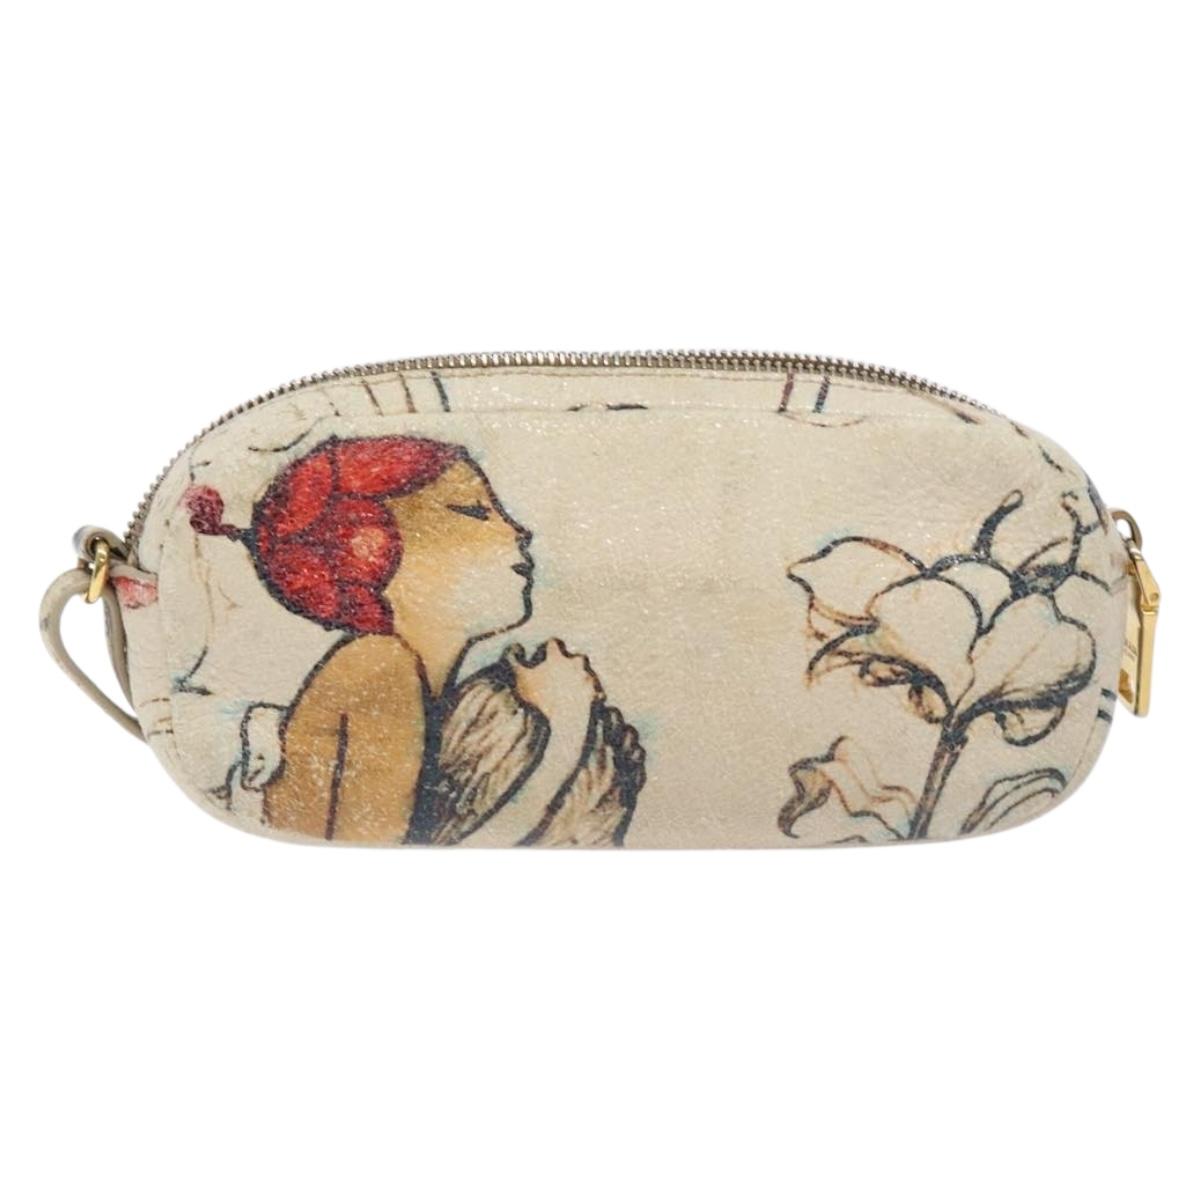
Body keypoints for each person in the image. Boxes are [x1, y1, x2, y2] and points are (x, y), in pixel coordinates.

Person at [187, 435, 641, 845]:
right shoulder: (381, 666)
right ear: (370, 549)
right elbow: (401, 863)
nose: (518, 531)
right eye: (476, 512)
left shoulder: (407, 677)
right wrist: (569, 722)